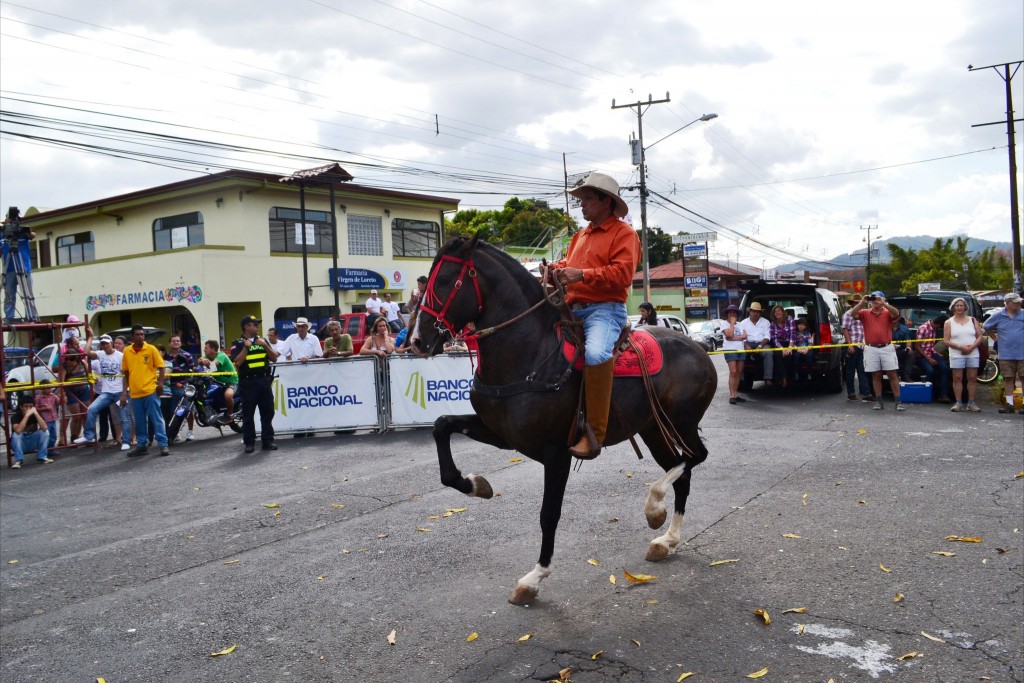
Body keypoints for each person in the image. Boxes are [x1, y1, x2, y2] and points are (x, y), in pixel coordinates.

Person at [550, 172, 640, 459]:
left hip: (606, 310)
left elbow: (622, 275)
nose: (582, 205)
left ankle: (594, 434)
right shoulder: (580, 235)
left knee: (596, 354)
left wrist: (581, 275)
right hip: (572, 309)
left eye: (587, 199)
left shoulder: (624, 233)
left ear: (606, 202)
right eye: (581, 200)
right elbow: (569, 265)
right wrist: (554, 271)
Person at [230, 315, 279, 454]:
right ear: (246, 327)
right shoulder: (238, 343)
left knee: (268, 411)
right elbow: (238, 363)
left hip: (264, 381)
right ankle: (249, 442)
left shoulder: (263, 341)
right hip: (248, 382)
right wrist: (246, 348)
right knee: (248, 414)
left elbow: (274, 358)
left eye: (257, 324)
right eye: (254, 324)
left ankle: (267, 440)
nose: (257, 327)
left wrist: (264, 345)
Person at [850, 291, 904, 411]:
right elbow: (852, 314)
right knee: (876, 375)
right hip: (871, 348)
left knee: (892, 374)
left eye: (877, 299)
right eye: (873, 299)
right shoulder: (865, 312)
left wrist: (883, 303)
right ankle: (879, 401)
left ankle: (898, 401)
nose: (875, 301)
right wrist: (862, 302)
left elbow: (896, 313)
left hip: (886, 347)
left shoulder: (887, 312)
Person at [121, 325, 170, 456]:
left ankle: (163, 444)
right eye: (137, 335)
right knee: (140, 421)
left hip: (150, 391)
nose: (140, 337)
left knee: (156, 419)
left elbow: (161, 367)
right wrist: (125, 391)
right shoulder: (127, 351)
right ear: (132, 337)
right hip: (136, 393)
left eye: (142, 334)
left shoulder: (151, 349)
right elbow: (125, 372)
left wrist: (160, 384)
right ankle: (142, 445)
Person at [75, 334, 129, 450]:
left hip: (119, 392)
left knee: (124, 417)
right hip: (106, 393)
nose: (105, 346)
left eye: (107, 343)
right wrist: (90, 337)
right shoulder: (100, 354)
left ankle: (126, 441)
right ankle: (89, 435)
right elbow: (86, 352)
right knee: (92, 409)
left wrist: (124, 393)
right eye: (102, 344)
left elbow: (126, 376)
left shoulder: (121, 356)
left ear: (112, 343)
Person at [983, 292, 1024, 414]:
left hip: (1022, 352)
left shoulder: (1023, 313)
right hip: (1006, 353)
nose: (1019, 303)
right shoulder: (998, 315)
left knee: (1023, 377)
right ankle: (1009, 404)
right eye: (1016, 302)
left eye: (1019, 302)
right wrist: (995, 338)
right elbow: (986, 326)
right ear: (1007, 303)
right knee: (1008, 378)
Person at [944, 297, 983, 412]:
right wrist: (960, 347)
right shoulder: (948, 322)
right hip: (956, 353)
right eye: (957, 305)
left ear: (965, 307)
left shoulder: (972, 320)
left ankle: (971, 402)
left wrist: (972, 347)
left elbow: (980, 336)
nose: (960, 307)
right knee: (957, 378)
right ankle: (958, 402)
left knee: (972, 378)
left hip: (973, 352)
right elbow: (946, 340)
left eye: (962, 305)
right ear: (953, 308)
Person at [58, 326, 92, 444]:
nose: (70, 362)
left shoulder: (82, 362)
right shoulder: (65, 365)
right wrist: (63, 394)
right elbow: (61, 383)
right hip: (72, 392)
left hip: (83, 390)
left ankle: (87, 436)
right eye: (68, 360)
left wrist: (92, 385)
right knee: (76, 416)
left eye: (72, 360)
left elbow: (89, 376)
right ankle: (74, 438)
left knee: (87, 414)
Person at [2, 206, 36, 323]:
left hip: (24, 267)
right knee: (9, 295)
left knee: (27, 293)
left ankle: (31, 315)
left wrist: (25, 231)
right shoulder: (3, 233)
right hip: (9, 269)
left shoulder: (22, 231)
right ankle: (9, 317)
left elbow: (32, 235)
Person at [842, 295, 873, 402]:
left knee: (862, 370)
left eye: (858, 302)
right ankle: (851, 393)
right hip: (853, 345)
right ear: (852, 304)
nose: (857, 304)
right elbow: (845, 330)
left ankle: (866, 393)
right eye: (855, 302)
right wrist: (850, 344)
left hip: (862, 345)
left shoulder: (863, 314)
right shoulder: (847, 314)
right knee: (850, 370)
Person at [165, 334, 197, 439]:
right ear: (169, 343)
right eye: (174, 341)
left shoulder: (187, 355)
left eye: (178, 341)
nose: (176, 343)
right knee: (172, 411)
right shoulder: (165, 356)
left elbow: (192, 370)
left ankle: (190, 431)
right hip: (170, 386)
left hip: (184, 385)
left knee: (188, 410)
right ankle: (175, 432)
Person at [915, 314, 952, 403]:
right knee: (930, 371)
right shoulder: (923, 328)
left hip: (932, 352)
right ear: (940, 325)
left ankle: (944, 394)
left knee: (945, 368)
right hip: (922, 355)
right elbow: (917, 346)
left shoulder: (934, 329)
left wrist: (937, 355)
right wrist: (929, 359)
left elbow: (931, 346)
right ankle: (926, 393)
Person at [9, 392, 52, 468]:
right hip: (20, 443)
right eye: (26, 406)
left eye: (31, 406)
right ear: (21, 407)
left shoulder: (34, 414)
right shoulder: (16, 416)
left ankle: (42, 457)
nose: (28, 409)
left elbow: (45, 428)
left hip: (31, 441)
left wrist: (36, 413)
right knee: (16, 435)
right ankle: (19, 460)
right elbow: (18, 430)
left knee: (45, 432)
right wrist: (26, 416)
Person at [198, 339, 238, 419]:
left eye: (206, 348)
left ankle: (229, 415)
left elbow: (213, 366)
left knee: (228, 395)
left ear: (213, 349)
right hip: (217, 382)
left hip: (231, 382)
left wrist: (205, 362)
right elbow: (199, 360)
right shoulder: (208, 357)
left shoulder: (221, 355)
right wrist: (202, 360)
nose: (204, 350)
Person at [738, 302, 772, 384]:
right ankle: (740, 379)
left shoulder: (766, 322)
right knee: (740, 354)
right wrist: (746, 345)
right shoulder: (743, 323)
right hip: (747, 343)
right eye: (754, 311)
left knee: (769, 352)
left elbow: (767, 336)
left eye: (758, 311)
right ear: (750, 311)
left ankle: (768, 378)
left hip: (762, 343)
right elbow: (741, 337)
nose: (756, 313)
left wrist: (760, 346)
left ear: (760, 313)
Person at [722, 305, 747, 405]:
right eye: (730, 313)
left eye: (734, 313)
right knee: (733, 371)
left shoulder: (741, 324)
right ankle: (732, 395)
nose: (732, 314)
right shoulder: (724, 324)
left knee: (739, 372)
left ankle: (735, 394)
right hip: (730, 349)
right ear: (727, 314)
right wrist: (732, 323)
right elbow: (729, 335)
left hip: (740, 349)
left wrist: (734, 339)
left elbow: (744, 336)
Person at [767, 304, 796, 388]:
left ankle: (788, 377)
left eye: (779, 311)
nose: (777, 313)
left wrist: (790, 348)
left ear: (783, 312)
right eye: (775, 312)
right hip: (779, 344)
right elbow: (774, 339)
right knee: (777, 356)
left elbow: (793, 335)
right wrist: (782, 349)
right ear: (773, 314)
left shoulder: (790, 320)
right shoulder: (772, 324)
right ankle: (783, 379)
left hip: (790, 343)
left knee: (790, 356)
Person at [34, 380, 60, 449]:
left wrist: (62, 399)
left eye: (50, 388)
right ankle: (44, 449)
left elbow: (58, 402)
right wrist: (44, 409)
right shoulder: (38, 398)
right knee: (45, 435)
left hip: (53, 419)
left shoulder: (53, 395)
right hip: (45, 420)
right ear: (42, 389)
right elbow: (36, 409)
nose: (50, 390)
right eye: (47, 388)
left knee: (53, 436)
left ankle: (51, 449)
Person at [891, 316, 913, 381]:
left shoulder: (904, 329)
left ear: (899, 318)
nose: (893, 319)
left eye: (894, 317)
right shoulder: (885, 327)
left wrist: (908, 348)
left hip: (901, 350)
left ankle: (906, 375)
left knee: (911, 353)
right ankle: (896, 376)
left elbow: (908, 340)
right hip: (888, 350)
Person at [793, 318, 815, 382]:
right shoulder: (794, 333)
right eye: (799, 324)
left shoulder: (808, 333)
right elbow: (792, 343)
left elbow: (811, 343)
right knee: (796, 356)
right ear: (797, 325)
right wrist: (797, 349)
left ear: (805, 326)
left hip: (806, 348)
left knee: (809, 355)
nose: (801, 326)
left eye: (803, 325)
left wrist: (807, 349)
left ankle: (809, 373)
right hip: (797, 349)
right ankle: (796, 373)